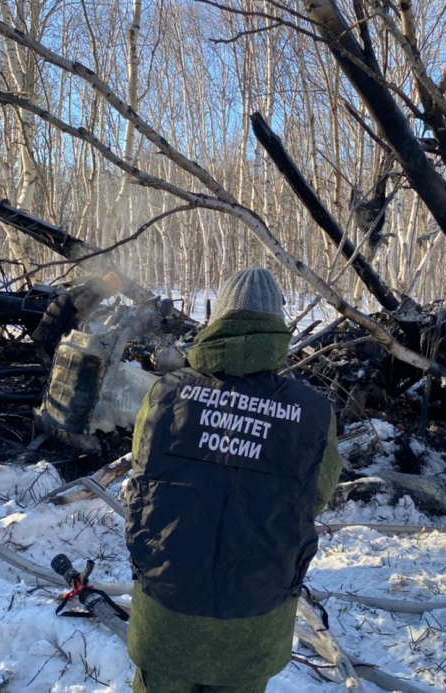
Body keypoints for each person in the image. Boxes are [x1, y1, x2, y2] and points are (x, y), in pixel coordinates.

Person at [124, 268, 343, 693]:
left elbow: (142, 467)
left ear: (218, 319)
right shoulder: (312, 412)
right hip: (256, 609)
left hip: (167, 602)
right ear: (277, 325)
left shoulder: (166, 393)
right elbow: (315, 496)